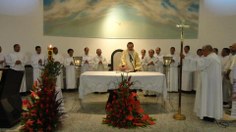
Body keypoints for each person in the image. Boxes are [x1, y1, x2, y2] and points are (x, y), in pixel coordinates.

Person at [182, 45, 223, 121]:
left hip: (209, 84)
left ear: (207, 50)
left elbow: (199, 64)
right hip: (212, 83)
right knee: (210, 99)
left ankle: (208, 115)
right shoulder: (214, 57)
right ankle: (210, 114)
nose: (202, 53)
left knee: (208, 98)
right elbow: (200, 62)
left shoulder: (210, 58)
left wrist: (185, 58)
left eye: (203, 51)